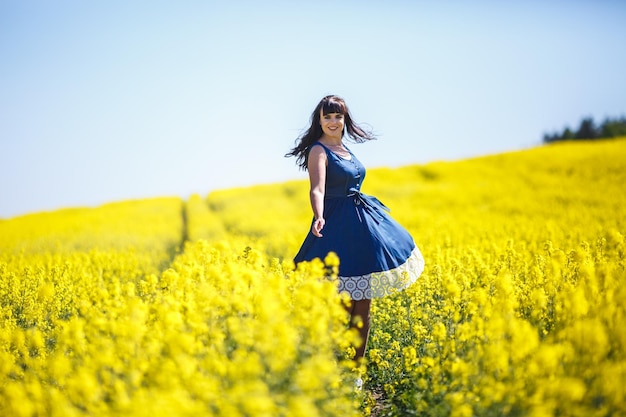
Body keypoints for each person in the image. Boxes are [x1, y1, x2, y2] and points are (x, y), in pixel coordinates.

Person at [286, 95, 425, 365]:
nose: (333, 122)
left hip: (361, 224)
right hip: (336, 226)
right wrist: (318, 215)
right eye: (327, 117)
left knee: (364, 304)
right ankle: (336, 363)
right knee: (343, 304)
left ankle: (356, 370)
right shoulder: (318, 150)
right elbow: (317, 188)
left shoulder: (347, 150)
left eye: (337, 116)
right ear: (319, 120)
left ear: (344, 119)